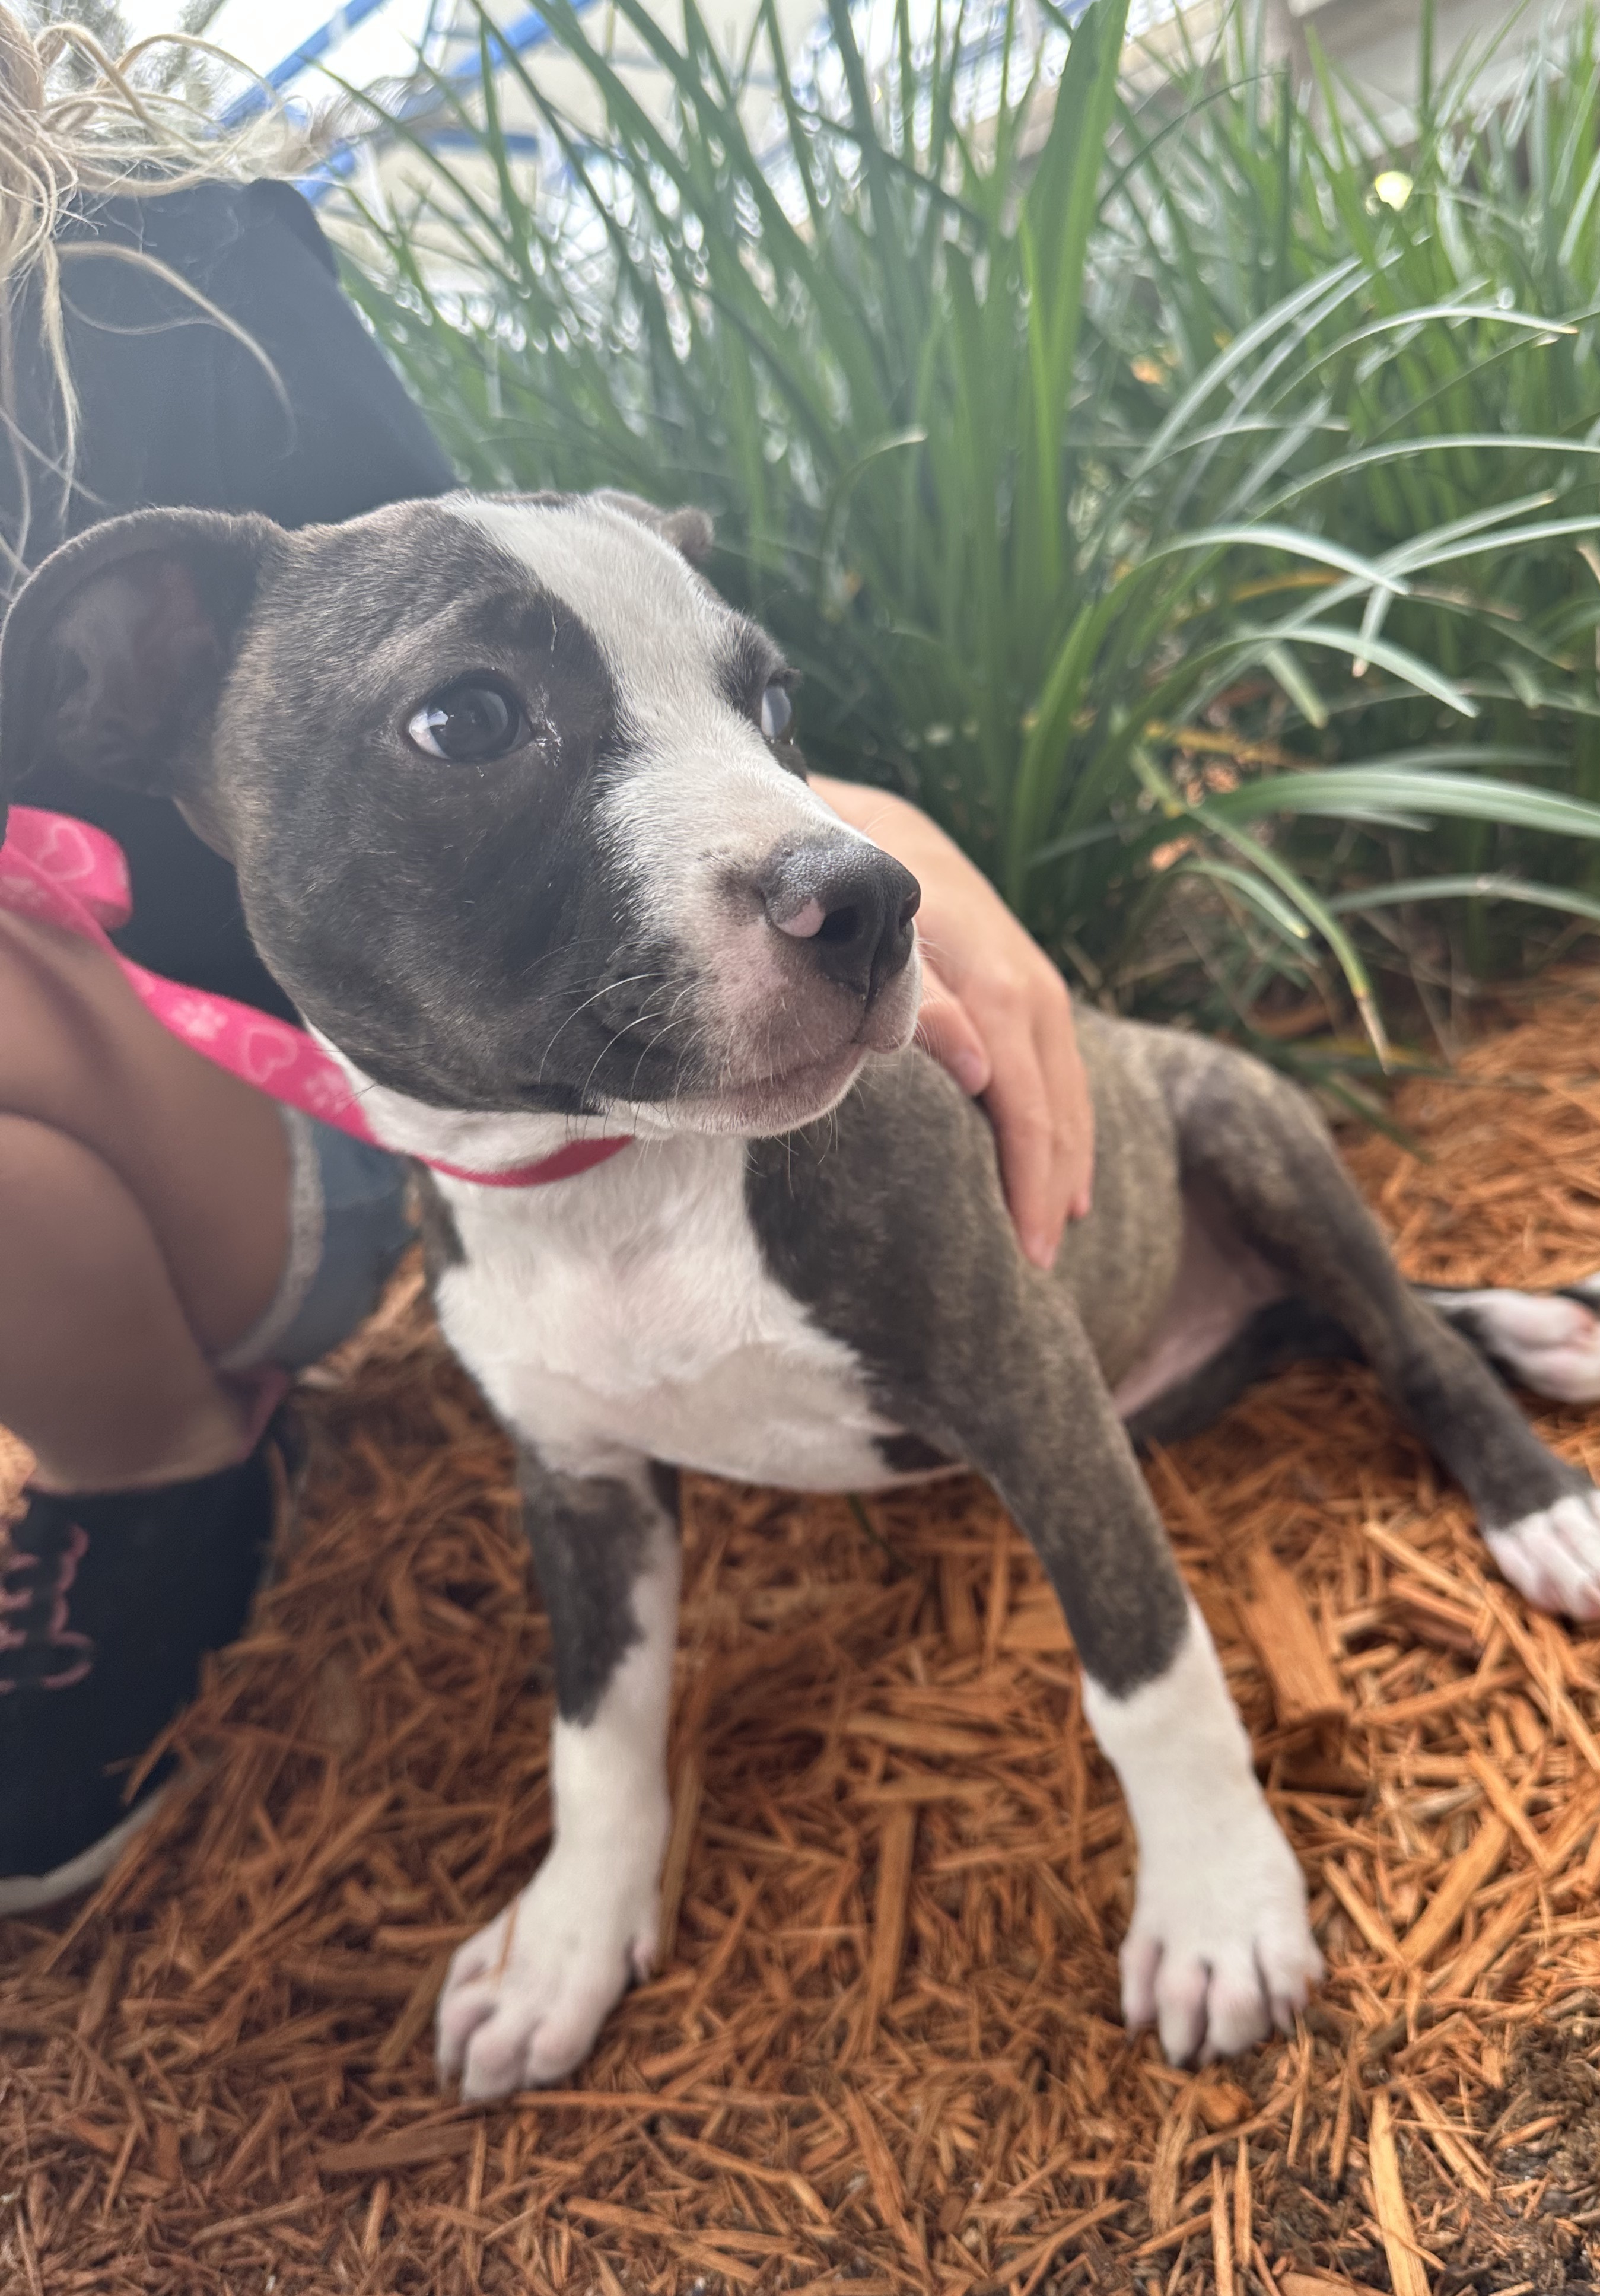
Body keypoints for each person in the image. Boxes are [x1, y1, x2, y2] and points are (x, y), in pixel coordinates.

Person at [0, 10, 1093, 1909]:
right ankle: (171, 1479)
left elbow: (533, 619)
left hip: (378, 1092)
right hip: (433, 1159)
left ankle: (159, 1468)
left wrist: (853, 824)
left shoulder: (156, 292)